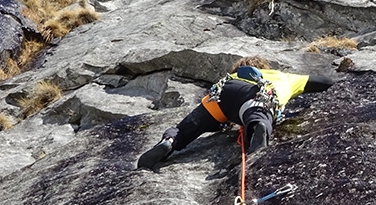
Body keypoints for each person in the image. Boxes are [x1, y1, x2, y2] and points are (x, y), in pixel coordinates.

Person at [137, 56, 335, 171]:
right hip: (256, 94)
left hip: (222, 95)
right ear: (264, 67)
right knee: (257, 113)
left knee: (185, 129)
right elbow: (324, 82)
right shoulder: (283, 76)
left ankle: (168, 143)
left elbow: (216, 124)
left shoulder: (232, 75)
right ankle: (258, 127)